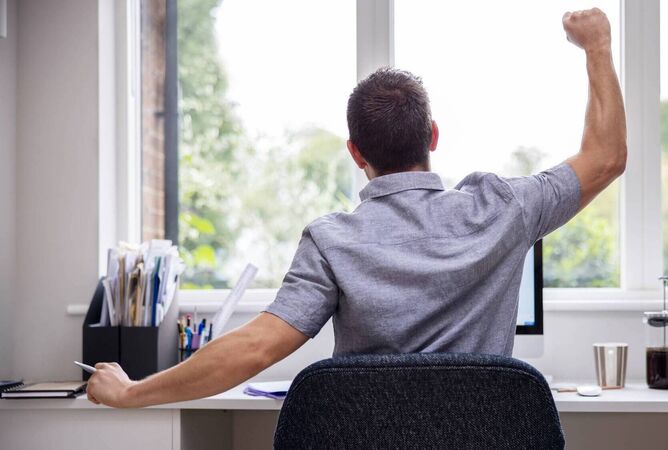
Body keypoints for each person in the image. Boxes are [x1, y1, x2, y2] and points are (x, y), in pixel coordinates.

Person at [87, 8, 625, 408]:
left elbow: (255, 348)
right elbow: (606, 158)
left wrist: (132, 392)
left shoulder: (331, 241)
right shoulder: (503, 208)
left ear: (355, 152)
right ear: (432, 136)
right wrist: (597, 44)